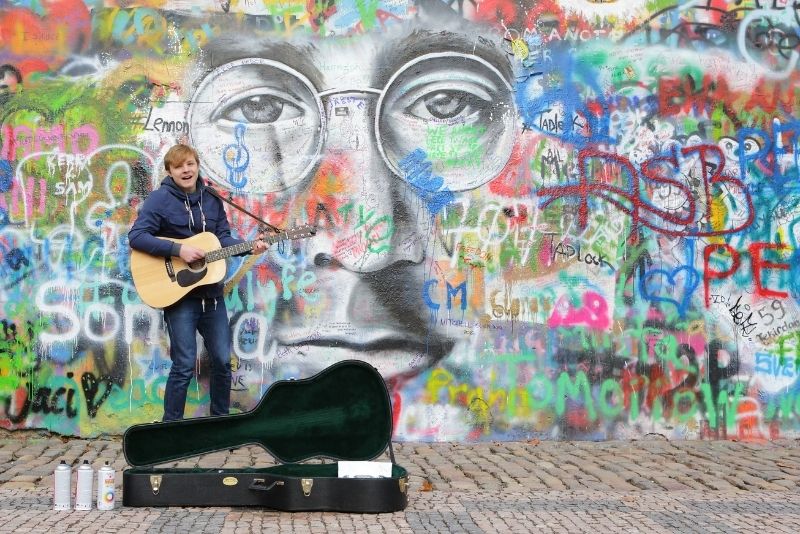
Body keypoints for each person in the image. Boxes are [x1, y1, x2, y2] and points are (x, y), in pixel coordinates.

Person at [128, 143, 268, 421]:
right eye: (179, 166)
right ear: (169, 171)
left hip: (212, 296)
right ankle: (171, 429)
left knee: (221, 361)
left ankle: (219, 424)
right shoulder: (160, 200)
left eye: (190, 164)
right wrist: (178, 250)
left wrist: (248, 247)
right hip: (180, 298)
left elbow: (222, 239)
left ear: (197, 165)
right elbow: (137, 236)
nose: (186, 170)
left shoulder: (212, 199)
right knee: (183, 364)